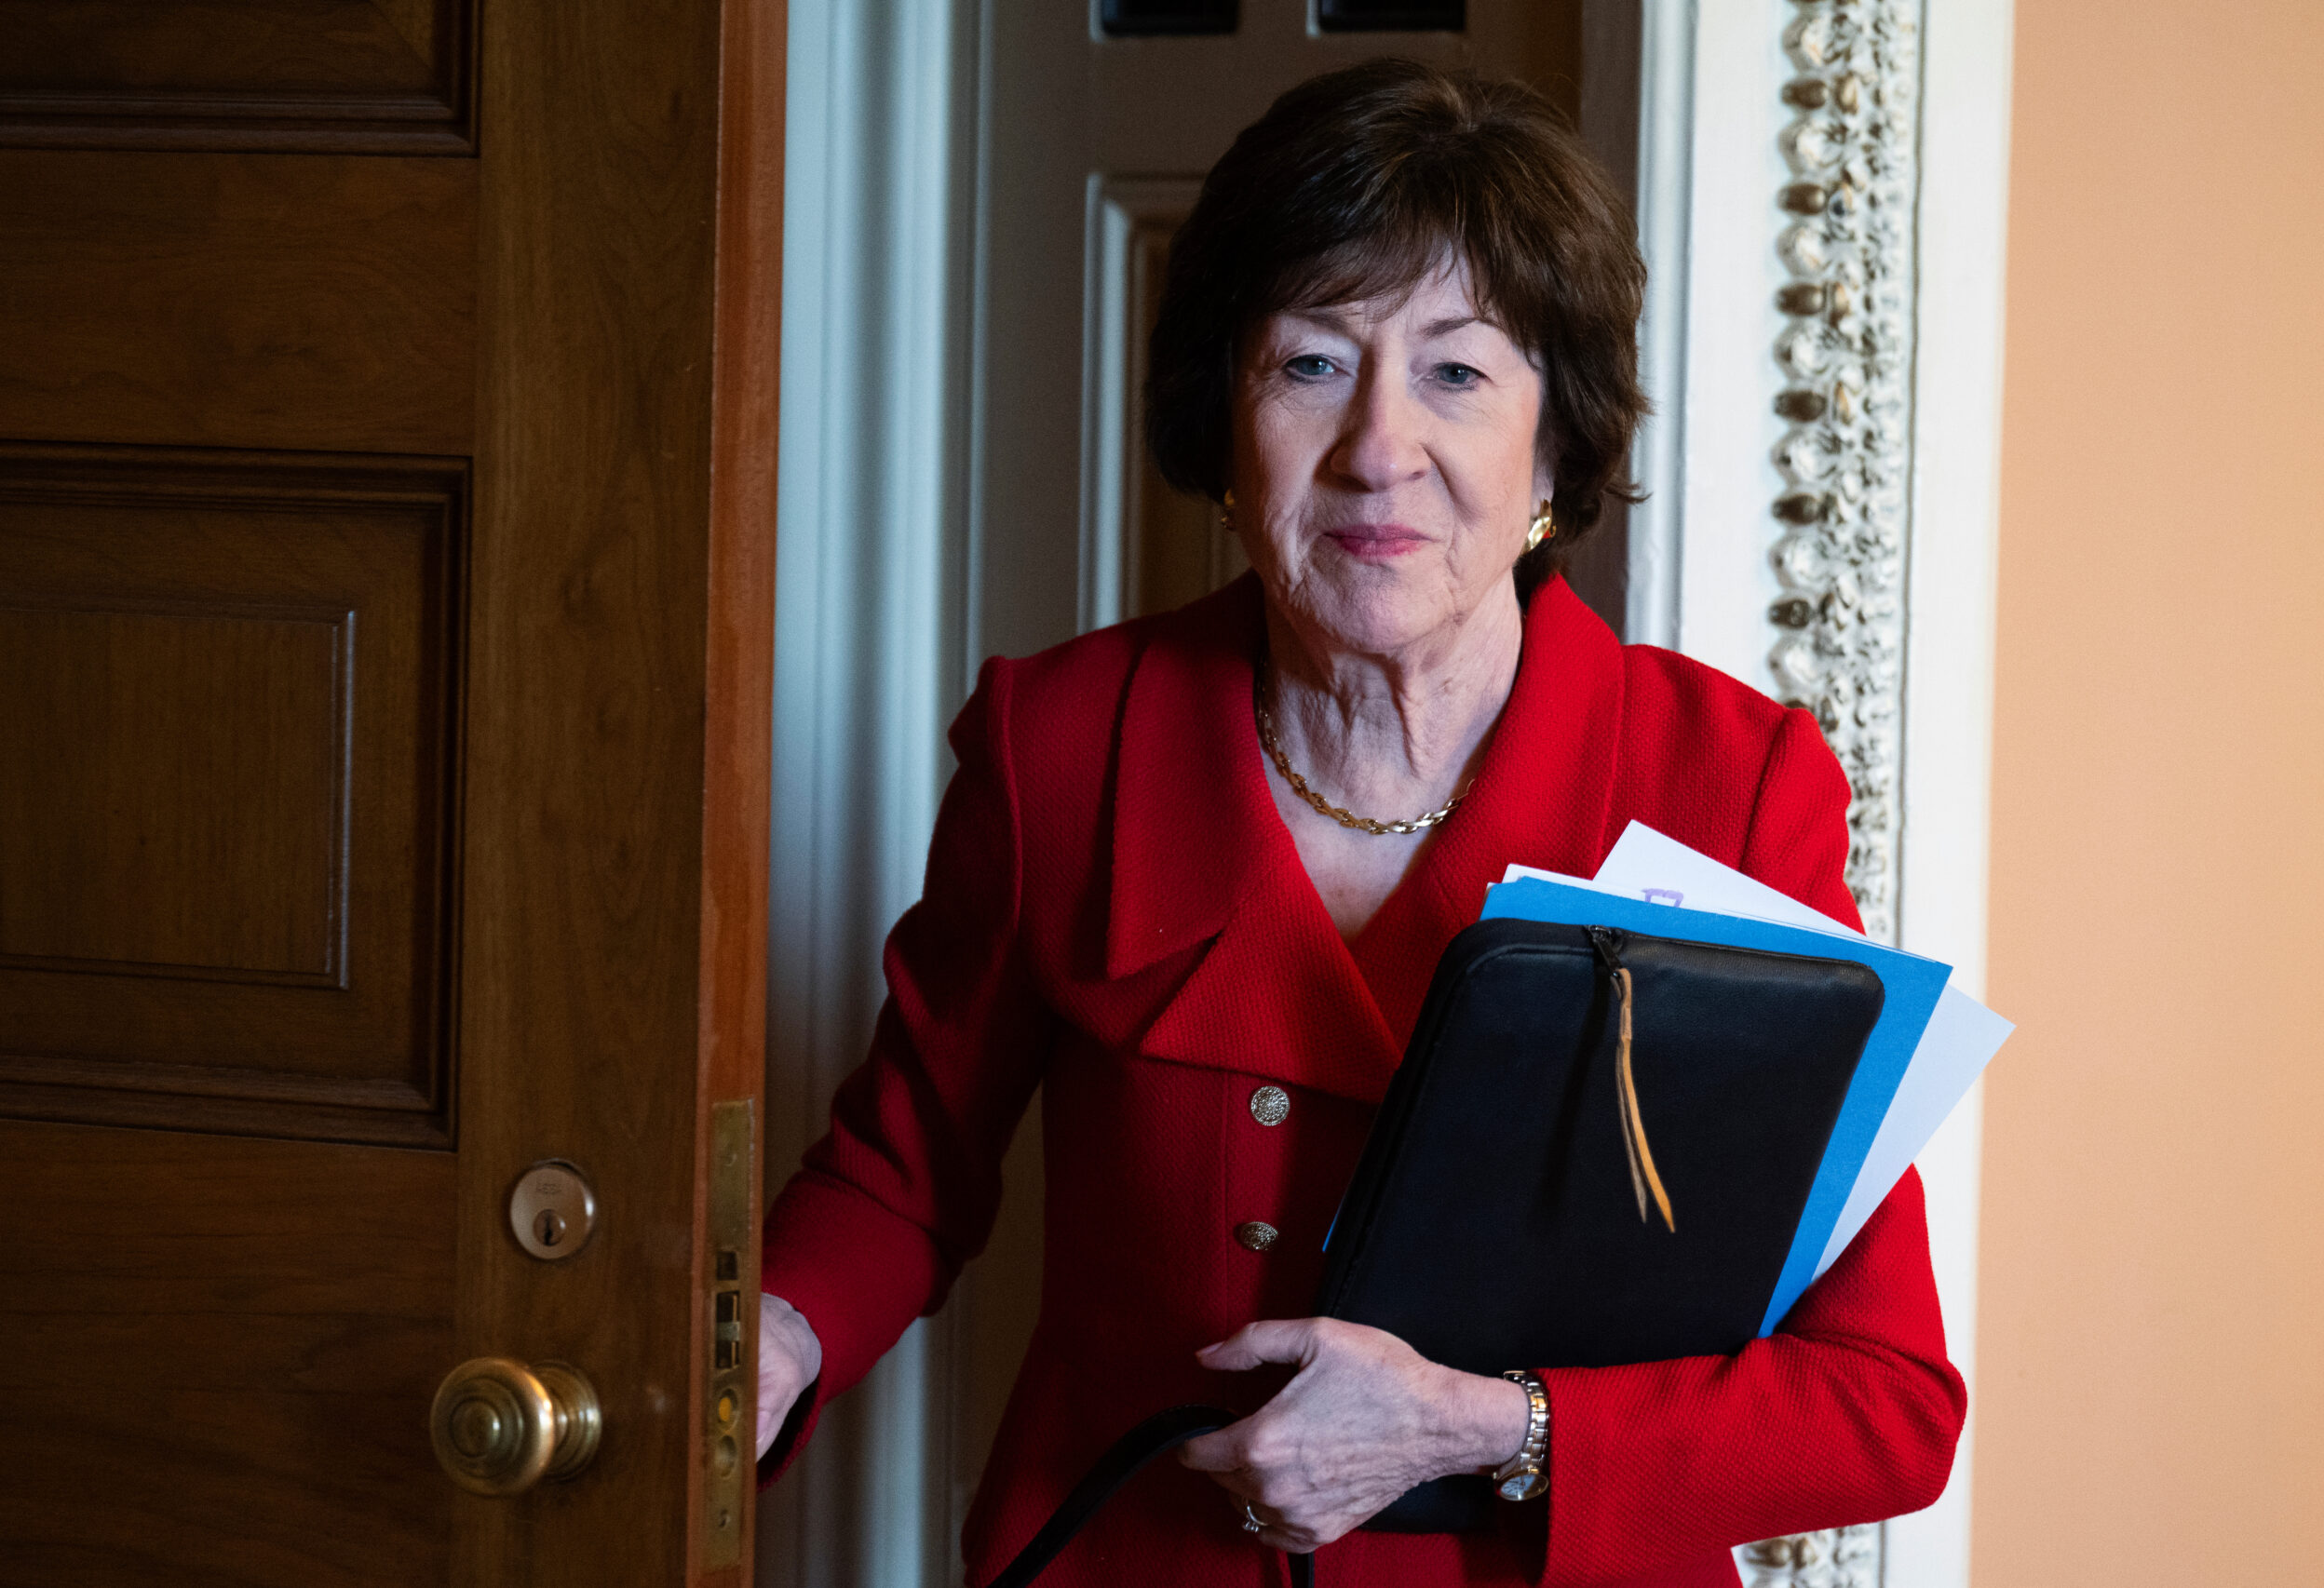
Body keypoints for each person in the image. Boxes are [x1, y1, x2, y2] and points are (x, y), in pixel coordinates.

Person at [754, 57, 1965, 1587]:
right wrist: (767, 1342)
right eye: (1313, 362)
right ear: (1226, 423)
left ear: (1554, 445)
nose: (1378, 447)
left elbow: (1882, 1401)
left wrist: (1486, 1425)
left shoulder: (1728, 786)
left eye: (1457, 373)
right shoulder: (1058, 741)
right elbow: (900, 1173)